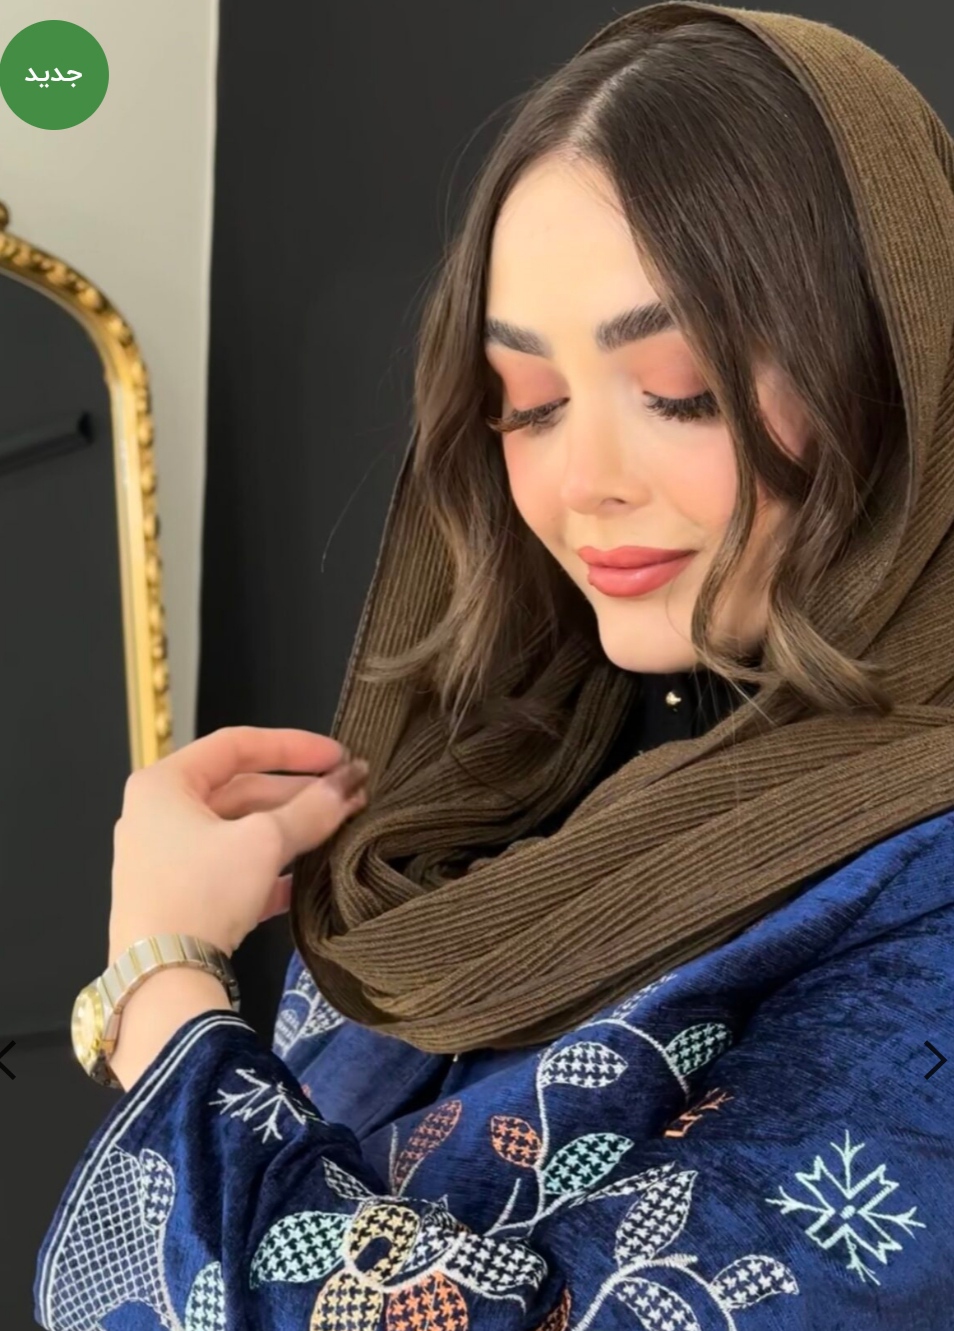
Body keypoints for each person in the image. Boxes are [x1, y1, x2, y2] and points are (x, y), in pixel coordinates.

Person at [35, 3, 954, 1327]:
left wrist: (162, 988)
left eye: (682, 390)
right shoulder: (472, 811)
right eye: (528, 403)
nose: (583, 483)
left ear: (895, 373)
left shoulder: (922, 891)